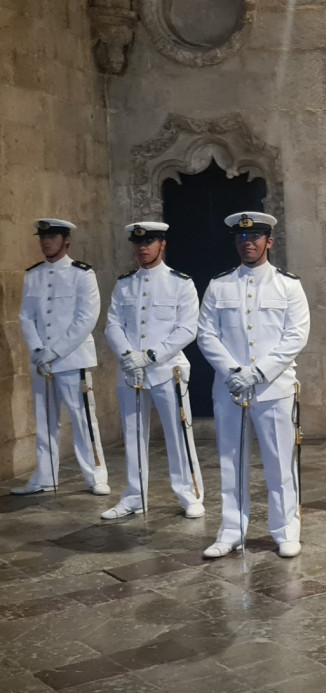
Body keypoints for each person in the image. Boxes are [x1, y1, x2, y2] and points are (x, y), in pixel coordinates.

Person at [197, 211, 309, 559]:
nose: (249, 243)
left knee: (279, 462)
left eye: (256, 237)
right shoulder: (219, 285)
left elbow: (296, 336)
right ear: (236, 242)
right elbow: (206, 333)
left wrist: (258, 373)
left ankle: (285, 530)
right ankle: (231, 530)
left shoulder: (288, 285)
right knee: (231, 461)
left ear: (269, 242)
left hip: (273, 388)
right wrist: (233, 370)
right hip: (229, 387)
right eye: (243, 238)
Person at [101, 222, 203, 520]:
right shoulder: (124, 284)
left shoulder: (180, 283)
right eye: (138, 243)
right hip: (130, 371)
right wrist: (127, 356)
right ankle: (135, 495)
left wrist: (150, 356)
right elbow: (112, 324)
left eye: (150, 242)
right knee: (132, 435)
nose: (142, 248)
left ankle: (189, 494)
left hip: (167, 369)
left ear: (162, 245)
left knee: (178, 434)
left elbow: (187, 329)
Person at [14, 219, 109, 496]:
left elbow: (86, 318)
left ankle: (95, 475)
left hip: (72, 359)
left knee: (83, 420)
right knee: (44, 420)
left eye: (52, 237)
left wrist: (54, 352)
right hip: (41, 361)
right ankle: (45, 476)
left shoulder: (83, 274)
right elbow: (26, 316)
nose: (46, 242)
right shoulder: (33, 275)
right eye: (43, 237)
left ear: (66, 241)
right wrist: (36, 350)